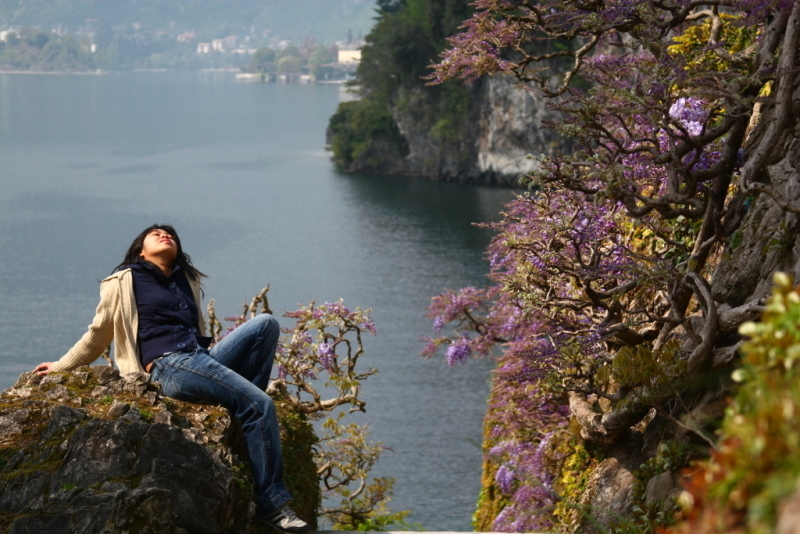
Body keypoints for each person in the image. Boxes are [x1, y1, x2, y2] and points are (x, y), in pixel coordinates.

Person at [34, 224, 309, 533]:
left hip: (199, 359)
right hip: (167, 366)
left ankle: (246, 413)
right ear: (141, 249)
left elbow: (196, 334)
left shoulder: (186, 280)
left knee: (265, 324)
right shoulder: (123, 281)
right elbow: (97, 336)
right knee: (260, 405)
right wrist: (60, 367)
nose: (166, 236)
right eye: (156, 234)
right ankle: (272, 504)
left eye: (171, 235)